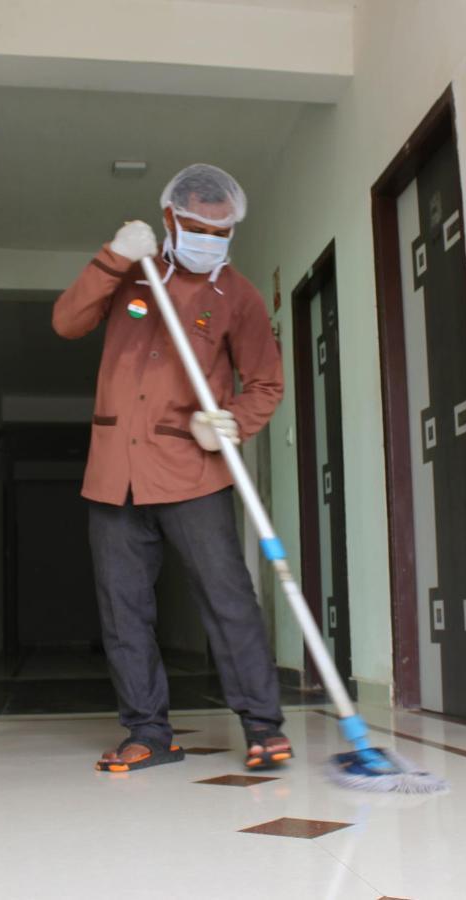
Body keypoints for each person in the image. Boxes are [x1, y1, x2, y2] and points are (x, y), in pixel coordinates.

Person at [52, 164, 292, 773]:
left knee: (227, 597)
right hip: (114, 474)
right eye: (196, 226)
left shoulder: (237, 296)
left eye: (221, 230)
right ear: (169, 221)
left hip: (193, 472)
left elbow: (265, 382)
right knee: (123, 607)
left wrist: (233, 420)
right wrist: (111, 257)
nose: (208, 238)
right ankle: (148, 732)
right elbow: (67, 322)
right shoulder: (133, 273)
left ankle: (263, 726)